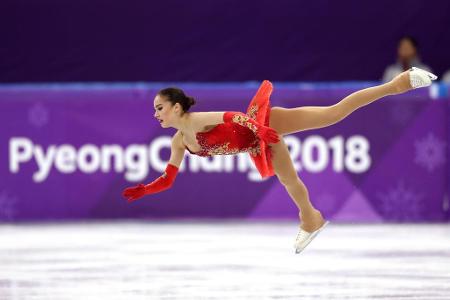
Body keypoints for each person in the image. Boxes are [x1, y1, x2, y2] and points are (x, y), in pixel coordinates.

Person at [122, 67, 437, 254]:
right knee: (290, 181)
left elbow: (234, 116)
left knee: (333, 114)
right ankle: (311, 218)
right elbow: (169, 178)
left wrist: (262, 129)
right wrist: (146, 189)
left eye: (160, 107)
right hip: (258, 142)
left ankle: (400, 83)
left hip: (264, 122)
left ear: (177, 108)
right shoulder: (179, 141)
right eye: (155, 109)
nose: (156, 113)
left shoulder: (195, 120)